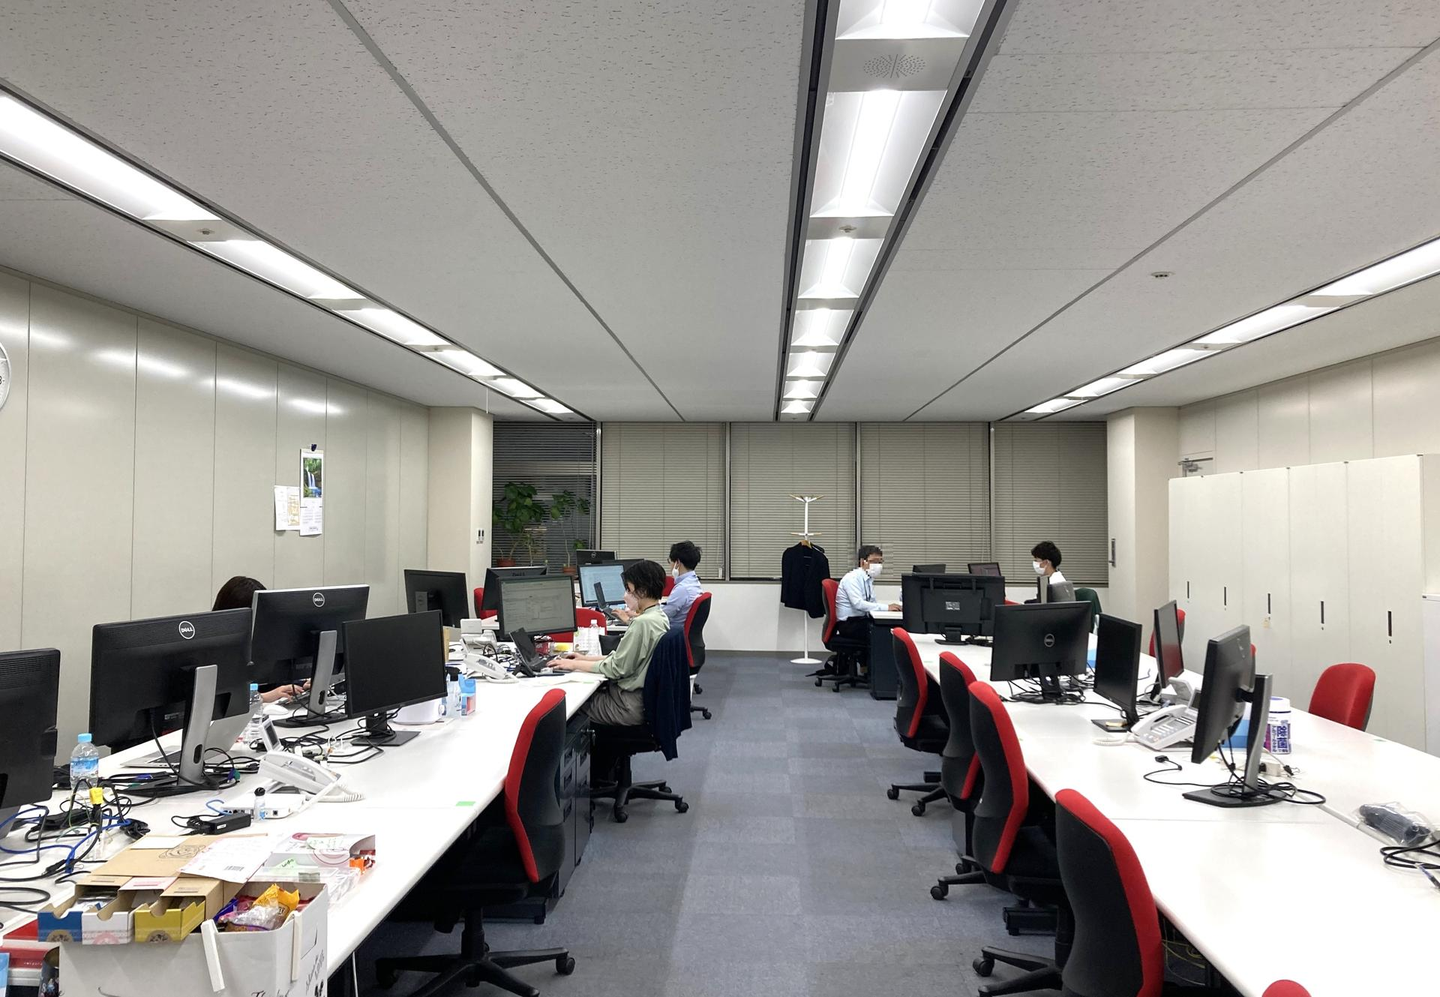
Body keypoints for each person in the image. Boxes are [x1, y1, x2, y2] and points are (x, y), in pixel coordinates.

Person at [553, 559, 670, 726]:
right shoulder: (659, 616)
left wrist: (573, 665)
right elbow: (622, 658)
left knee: (568, 705)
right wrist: (583, 659)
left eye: (628, 589)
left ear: (642, 591)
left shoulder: (642, 623)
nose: (625, 596)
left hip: (625, 706)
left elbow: (617, 668)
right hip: (639, 701)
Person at [211, 575, 305, 704]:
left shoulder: (263, 642)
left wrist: (301, 685)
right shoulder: (215, 649)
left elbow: (277, 679)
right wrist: (264, 697)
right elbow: (218, 699)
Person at [835, 545, 901, 644]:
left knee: (890, 628)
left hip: (859, 620)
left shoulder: (868, 579)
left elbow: (872, 601)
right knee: (885, 634)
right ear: (862, 562)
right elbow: (858, 604)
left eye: (880, 562)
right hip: (849, 624)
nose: (878, 565)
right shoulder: (852, 578)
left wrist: (888, 608)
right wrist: (887, 607)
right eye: (874, 561)